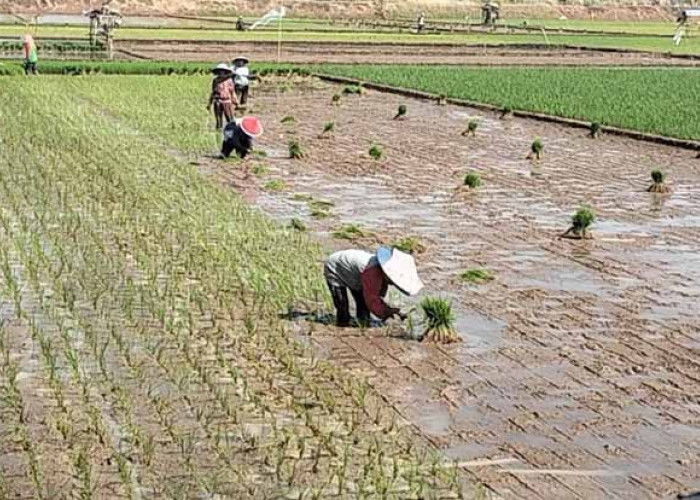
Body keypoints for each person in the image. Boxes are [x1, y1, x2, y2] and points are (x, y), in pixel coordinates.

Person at [323, 246, 423, 327]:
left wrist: (387, 308)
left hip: (354, 274)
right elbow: (372, 300)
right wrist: (387, 313)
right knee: (342, 307)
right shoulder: (373, 273)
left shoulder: (382, 271)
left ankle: (363, 325)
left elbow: (379, 294)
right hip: (335, 268)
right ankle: (342, 327)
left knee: (362, 305)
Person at [207, 63, 237, 130]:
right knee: (218, 119)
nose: (221, 73)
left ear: (225, 72)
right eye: (220, 71)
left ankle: (232, 132)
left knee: (230, 119)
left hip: (227, 101)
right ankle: (218, 132)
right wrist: (209, 103)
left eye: (223, 71)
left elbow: (232, 91)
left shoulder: (229, 81)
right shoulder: (216, 80)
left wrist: (234, 101)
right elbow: (213, 92)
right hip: (218, 102)